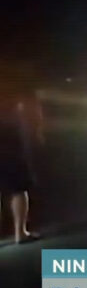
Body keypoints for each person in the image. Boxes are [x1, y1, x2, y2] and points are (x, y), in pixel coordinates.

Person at [0, 99, 39, 244]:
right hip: (9, 135)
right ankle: (20, 233)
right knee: (19, 187)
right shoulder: (10, 82)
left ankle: (19, 233)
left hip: (9, 131)